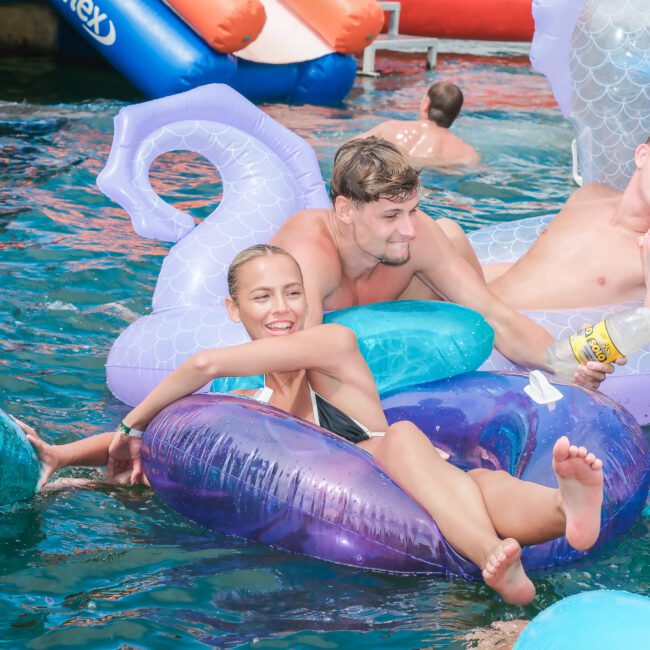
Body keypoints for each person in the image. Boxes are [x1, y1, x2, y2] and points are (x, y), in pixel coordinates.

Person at [22, 245, 605, 607]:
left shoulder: (333, 344)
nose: (281, 309)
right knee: (472, 488)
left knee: (425, 452)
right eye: (262, 297)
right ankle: (547, 522)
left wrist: (128, 418)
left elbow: (200, 364)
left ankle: (548, 521)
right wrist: (62, 456)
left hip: (415, 475)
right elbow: (166, 439)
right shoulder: (244, 406)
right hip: (375, 518)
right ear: (234, 309)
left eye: (293, 293)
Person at [270, 136, 617, 387]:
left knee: (447, 233)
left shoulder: (417, 233)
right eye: (391, 215)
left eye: (412, 210)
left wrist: (567, 361)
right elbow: (298, 360)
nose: (408, 228)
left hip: (392, 313)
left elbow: (496, 316)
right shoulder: (309, 255)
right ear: (345, 209)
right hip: (339, 342)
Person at [483, 138, 650, 310]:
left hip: (505, 330)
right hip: (474, 308)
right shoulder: (590, 196)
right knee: (452, 235)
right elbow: (541, 270)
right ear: (642, 156)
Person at [356, 81, 480, 168]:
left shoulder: (389, 128)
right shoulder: (467, 154)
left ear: (426, 104)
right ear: (456, 114)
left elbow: (349, 147)